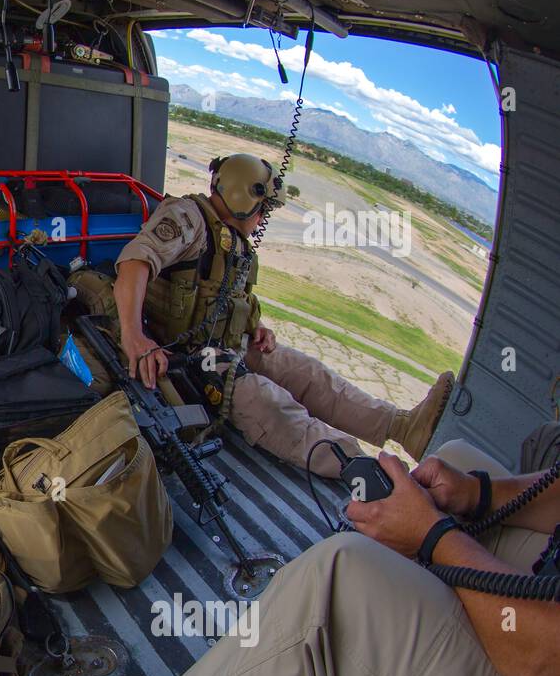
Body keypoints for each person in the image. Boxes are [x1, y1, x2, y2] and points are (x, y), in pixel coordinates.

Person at [107, 438, 560, 676]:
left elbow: (542, 665)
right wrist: (478, 493)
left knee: (341, 573)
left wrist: (431, 535)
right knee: (457, 460)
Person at [112, 152, 453, 476]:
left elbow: (226, 298)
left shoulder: (235, 242)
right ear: (242, 197)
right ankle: (375, 475)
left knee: (310, 374)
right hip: (186, 357)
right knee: (270, 404)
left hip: (227, 346)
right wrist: (134, 337)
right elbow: (134, 263)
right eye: (263, 209)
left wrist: (256, 325)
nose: (264, 218)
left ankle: (405, 428)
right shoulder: (187, 217)